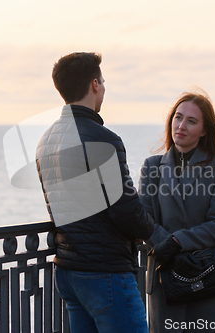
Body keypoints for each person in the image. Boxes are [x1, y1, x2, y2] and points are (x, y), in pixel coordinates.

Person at [35, 52, 153, 333]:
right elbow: (126, 210)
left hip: (68, 270)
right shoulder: (103, 139)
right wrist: (152, 230)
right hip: (105, 271)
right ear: (95, 84)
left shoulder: (45, 140)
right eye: (103, 81)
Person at [139, 91, 215, 333]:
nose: (181, 126)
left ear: (204, 130)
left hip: (208, 276)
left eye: (191, 121)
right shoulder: (152, 167)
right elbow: (145, 220)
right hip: (165, 278)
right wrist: (167, 246)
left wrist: (176, 242)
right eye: (178, 117)